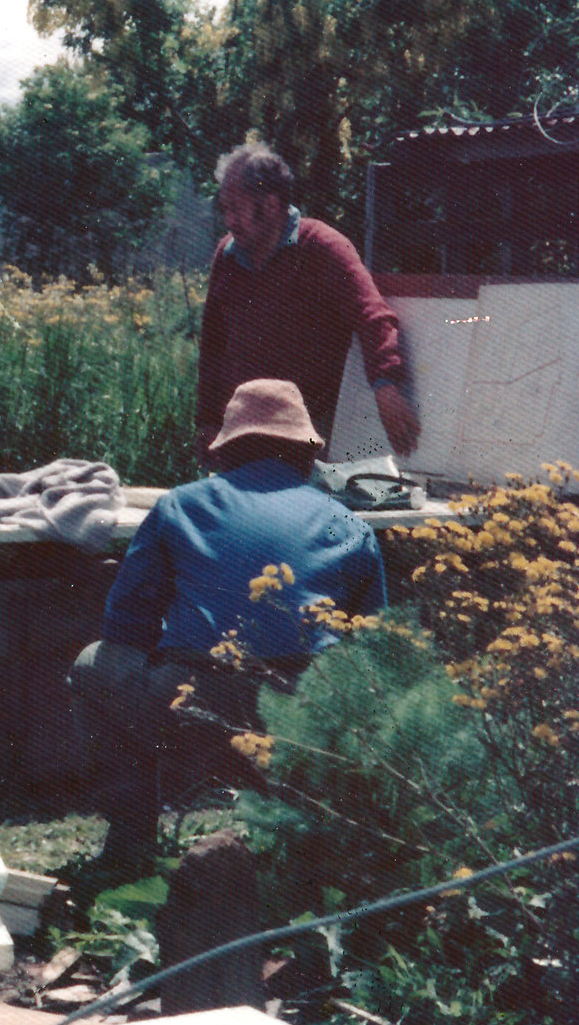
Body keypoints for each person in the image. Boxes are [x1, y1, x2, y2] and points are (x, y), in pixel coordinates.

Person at [68, 378, 388, 869]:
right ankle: (314, 849)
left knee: (95, 665)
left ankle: (131, 837)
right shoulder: (348, 522)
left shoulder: (181, 504)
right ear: (306, 454)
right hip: (301, 716)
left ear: (226, 451)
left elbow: (125, 625)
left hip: (194, 705)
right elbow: (371, 653)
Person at [197, 144, 419, 459]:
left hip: (306, 432)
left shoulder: (323, 248)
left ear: (271, 206)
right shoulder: (227, 255)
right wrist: (207, 420)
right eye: (224, 208)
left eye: (236, 208)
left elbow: (373, 316)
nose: (229, 220)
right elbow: (213, 345)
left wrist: (386, 387)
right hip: (242, 428)